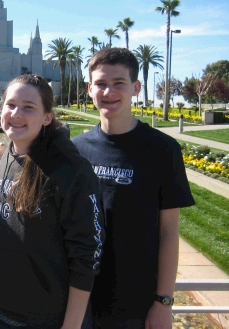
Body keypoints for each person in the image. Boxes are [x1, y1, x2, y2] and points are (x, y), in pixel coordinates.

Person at [72, 48, 195, 329]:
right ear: (90, 89)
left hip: (135, 305)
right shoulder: (77, 150)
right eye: (101, 84)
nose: (109, 91)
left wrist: (163, 302)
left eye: (119, 83)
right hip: (81, 300)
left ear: (136, 88)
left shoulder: (163, 150)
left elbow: (168, 232)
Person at [0, 74, 104, 329]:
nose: (16, 113)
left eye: (28, 107)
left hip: (49, 321)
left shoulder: (70, 171)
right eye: (10, 104)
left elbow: (86, 255)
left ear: (47, 116)